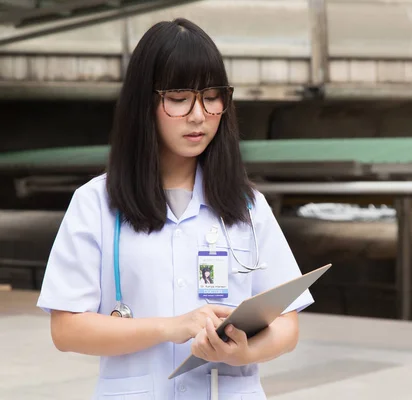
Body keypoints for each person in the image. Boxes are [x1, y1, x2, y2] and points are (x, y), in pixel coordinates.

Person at [36, 17, 314, 399]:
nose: (198, 115)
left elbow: (287, 324)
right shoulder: (95, 203)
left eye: (212, 97)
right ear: (143, 103)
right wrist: (170, 327)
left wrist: (244, 352)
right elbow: (66, 330)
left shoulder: (249, 205)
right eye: (179, 99)